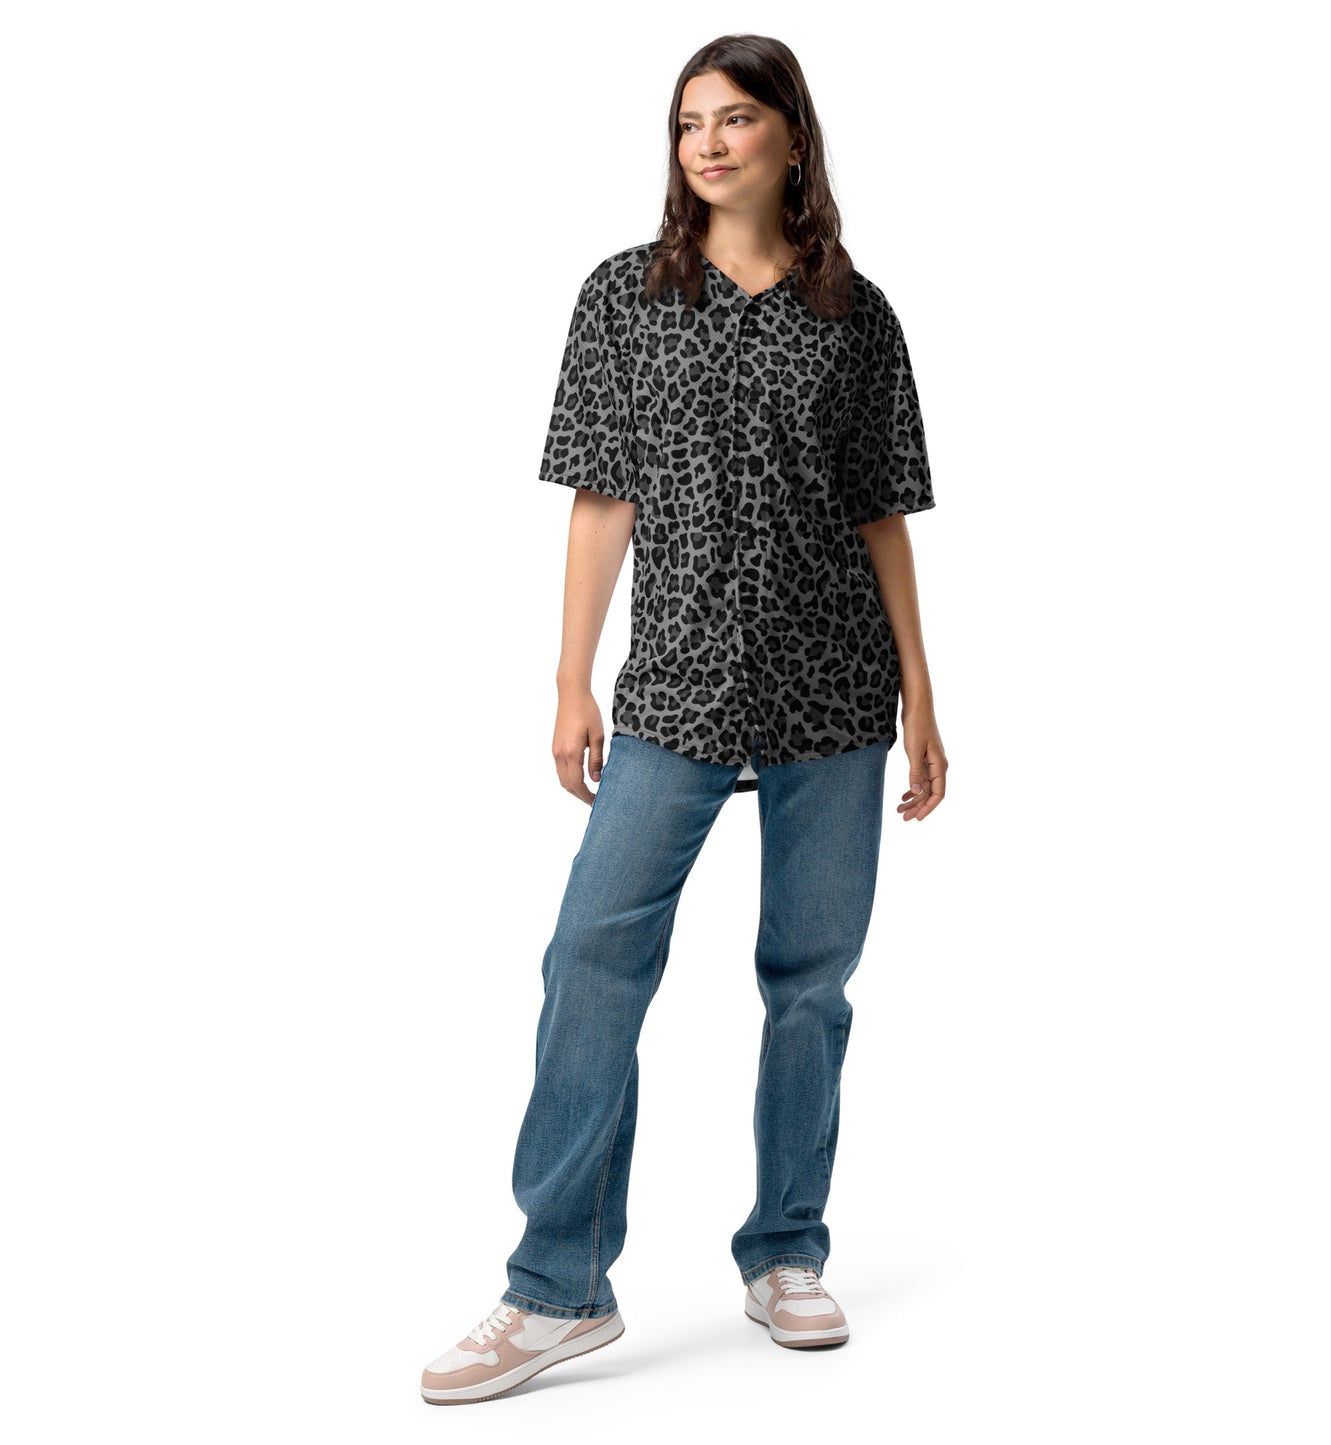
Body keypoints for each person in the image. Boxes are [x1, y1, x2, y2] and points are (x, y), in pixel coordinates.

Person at [420, 33, 946, 1406]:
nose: (707, 144)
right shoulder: (625, 295)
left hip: (836, 689)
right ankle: (558, 1285)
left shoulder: (857, 314)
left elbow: (881, 515)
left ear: (790, 137)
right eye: (688, 123)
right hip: (675, 686)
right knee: (592, 957)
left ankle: (786, 1251)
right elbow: (601, 498)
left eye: (736, 119)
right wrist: (569, 679)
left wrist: (924, 697)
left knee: (809, 980)